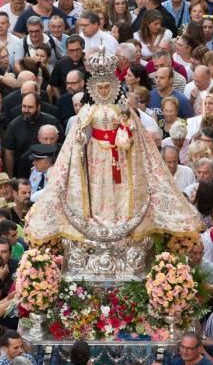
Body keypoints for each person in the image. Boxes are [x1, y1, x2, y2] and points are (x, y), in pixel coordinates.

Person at [25, 47, 201, 247]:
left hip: (120, 154)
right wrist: (82, 137)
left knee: (119, 188)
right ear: (92, 87)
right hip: (95, 156)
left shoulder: (122, 109)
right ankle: (97, 218)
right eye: (99, 87)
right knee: (98, 189)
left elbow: (137, 135)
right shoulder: (87, 110)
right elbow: (80, 136)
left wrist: (127, 127)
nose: (103, 91)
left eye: (106, 86)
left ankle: (122, 219)